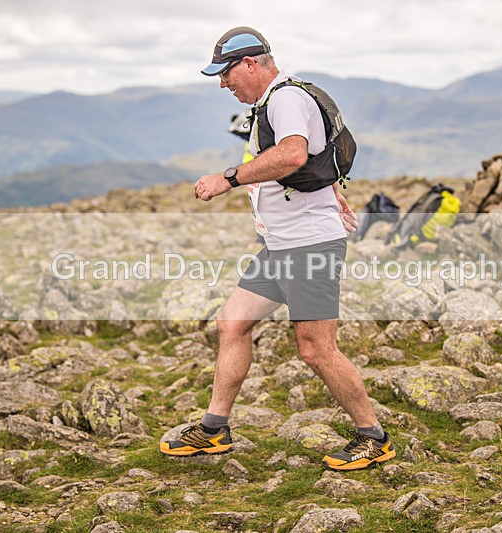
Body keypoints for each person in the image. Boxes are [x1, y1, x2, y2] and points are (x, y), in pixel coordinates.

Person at [160, 27, 395, 471]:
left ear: (251, 64)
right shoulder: (272, 102)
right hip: (282, 243)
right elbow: (306, 164)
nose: (223, 84)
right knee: (232, 323)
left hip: (308, 245)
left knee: (315, 348)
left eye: (226, 74)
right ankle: (214, 430)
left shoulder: (285, 98)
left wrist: (227, 179)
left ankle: (373, 436)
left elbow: (292, 155)